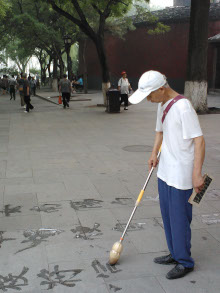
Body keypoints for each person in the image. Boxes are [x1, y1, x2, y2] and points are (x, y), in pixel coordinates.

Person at [129, 70, 205, 280]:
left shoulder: (183, 107)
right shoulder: (162, 105)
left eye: (150, 95)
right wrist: (154, 153)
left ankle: (185, 261)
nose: (149, 100)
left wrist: (197, 174)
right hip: (165, 171)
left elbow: (199, 140)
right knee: (168, 217)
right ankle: (174, 253)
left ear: (161, 89)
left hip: (181, 174)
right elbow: (159, 132)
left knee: (180, 219)